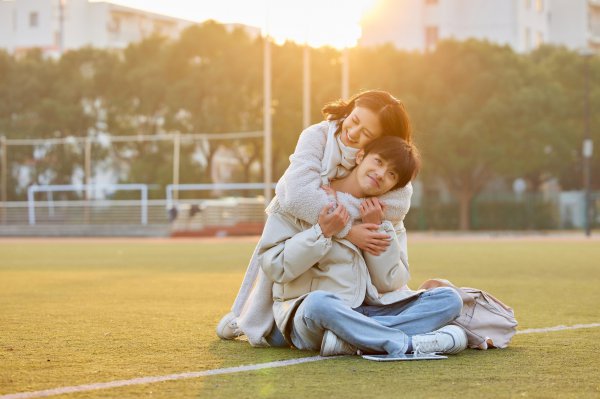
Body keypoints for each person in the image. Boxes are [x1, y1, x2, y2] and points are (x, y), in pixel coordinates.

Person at [217, 90, 415, 346]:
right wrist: (349, 229)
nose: (353, 133)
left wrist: (337, 196)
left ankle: (353, 329)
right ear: (349, 110)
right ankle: (259, 317)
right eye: (354, 121)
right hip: (296, 228)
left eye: (366, 134)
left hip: (350, 276)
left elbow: (397, 205)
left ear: (381, 142)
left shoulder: (383, 167)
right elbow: (298, 194)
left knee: (444, 299)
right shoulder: (318, 135)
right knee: (308, 297)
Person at [258, 136, 467, 356]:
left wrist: (375, 226)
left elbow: (389, 283)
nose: (381, 174)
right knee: (318, 303)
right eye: (379, 162)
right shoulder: (303, 198)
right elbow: (275, 266)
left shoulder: (386, 217)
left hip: (370, 311)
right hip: (313, 315)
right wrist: (323, 232)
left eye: (391, 174)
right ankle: (405, 343)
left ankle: (351, 340)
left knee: (449, 299)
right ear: (360, 156)